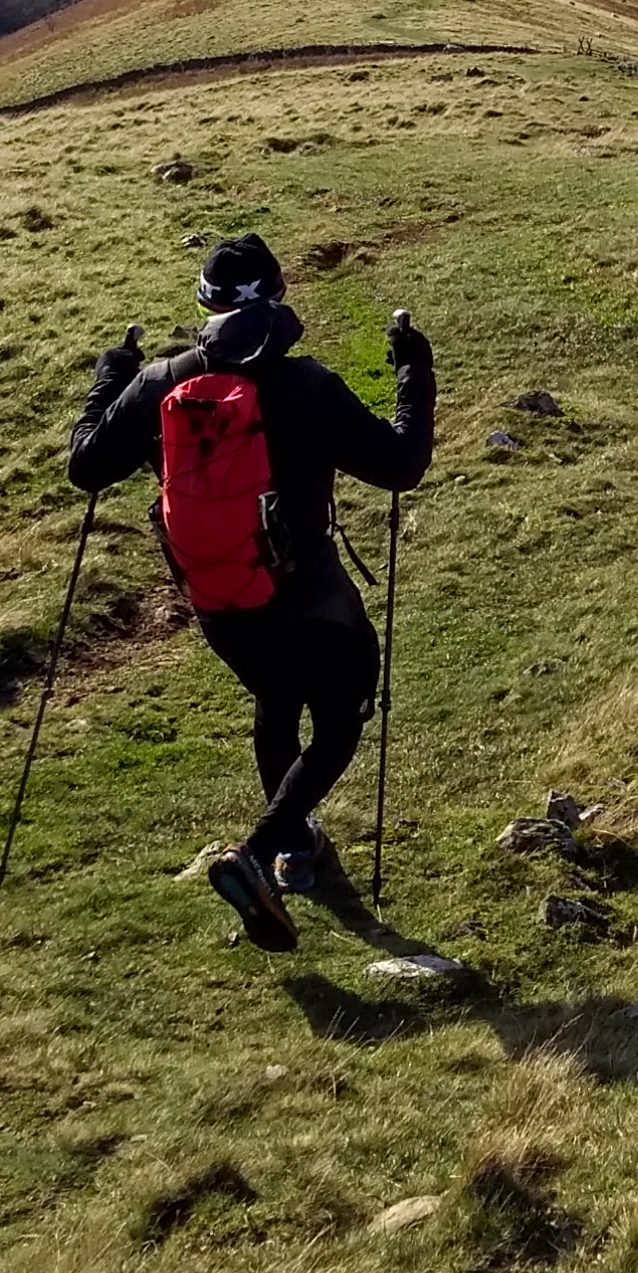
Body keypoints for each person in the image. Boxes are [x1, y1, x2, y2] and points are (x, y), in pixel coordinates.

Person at [68, 233, 435, 941]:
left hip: (221, 605)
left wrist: (111, 375)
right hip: (313, 601)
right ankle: (263, 852)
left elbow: (86, 468)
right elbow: (401, 464)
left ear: (203, 303)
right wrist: (414, 372)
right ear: (278, 297)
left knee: (276, 698)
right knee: (339, 718)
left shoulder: (160, 385)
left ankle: (296, 852)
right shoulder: (307, 386)